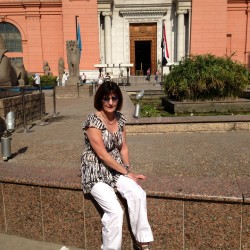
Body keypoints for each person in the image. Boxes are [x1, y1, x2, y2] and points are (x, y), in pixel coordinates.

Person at [81, 81, 154, 250]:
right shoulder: (93, 121)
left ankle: (142, 240)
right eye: (106, 98)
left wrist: (128, 170)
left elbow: (123, 147)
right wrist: (126, 172)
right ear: (100, 100)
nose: (110, 102)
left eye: (114, 98)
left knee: (138, 193)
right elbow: (102, 154)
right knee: (115, 212)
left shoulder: (120, 119)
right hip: (95, 172)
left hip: (115, 170)